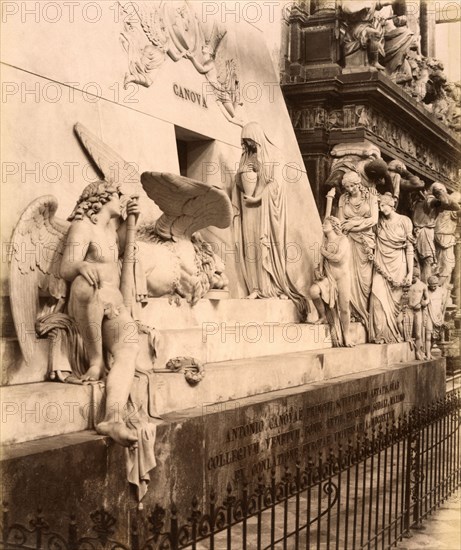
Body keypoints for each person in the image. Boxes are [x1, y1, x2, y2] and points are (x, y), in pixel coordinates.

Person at [60, 180, 141, 447]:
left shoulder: (111, 231)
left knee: (129, 349)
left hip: (113, 305)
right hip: (87, 303)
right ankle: (95, 361)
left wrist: (133, 222)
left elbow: (127, 258)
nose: (122, 199)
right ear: (103, 198)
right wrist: (82, 265)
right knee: (85, 284)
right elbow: (66, 267)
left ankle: (113, 417)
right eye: (118, 195)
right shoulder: (83, 227)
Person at [233, 122, 307, 319]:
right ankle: (255, 286)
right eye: (245, 142)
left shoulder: (273, 157)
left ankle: (270, 286)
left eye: (250, 140)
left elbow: (276, 186)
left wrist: (258, 197)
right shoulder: (246, 157)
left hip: (265, 210)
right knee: (250, 246)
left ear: (257, 137)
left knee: (263, 245)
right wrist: (242, 173)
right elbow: (239, 184)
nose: (249, 145)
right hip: (249, 209)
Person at [369, 193, 414, 343]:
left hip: (398, 265)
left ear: (391, 204)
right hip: (381, 264)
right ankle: (380, 334)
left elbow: (409, 248)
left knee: (395, 302)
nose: (382, 209)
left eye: (384, 205)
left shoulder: (404, 221)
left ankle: (393, 334)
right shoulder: (378, 222)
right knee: (377, 298)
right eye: (379, 206)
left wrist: (410, 272)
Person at [337, 171, 379, 333]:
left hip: (365, 242)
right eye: (347, 187)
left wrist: (353, 225)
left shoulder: (371, 198)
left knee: (364, 279)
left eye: (353, 185)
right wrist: (351, 225)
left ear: (359, 183)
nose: (351, 189)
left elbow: (373, 220)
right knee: (348, 274)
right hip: (347, 241)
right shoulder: (343, 199)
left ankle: (364, 314)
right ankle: (352, 312)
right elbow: (341, 222)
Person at [309, 217, 354, 347]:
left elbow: (338, 258)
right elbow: (321, 263)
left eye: (326, 223)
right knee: (313, 291)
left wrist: (323, 252)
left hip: (342, 278)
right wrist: (318, 270)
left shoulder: (343, 240)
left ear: (334, 225)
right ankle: (322, 315)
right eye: (323, 223)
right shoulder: (324, 242)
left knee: (344, 308)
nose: (323, 225)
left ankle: (346, 334)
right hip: (328, 278)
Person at [425, 275, 448, 359]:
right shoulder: (426, 290)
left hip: (438, 315)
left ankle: (429, 352)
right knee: (428, 335)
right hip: (429, 314)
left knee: (434, 337)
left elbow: (442, 305)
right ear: (429, 284)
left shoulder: (442, 291)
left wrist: (442, 315)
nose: (434, 287)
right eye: (432, 286)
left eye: (435, 285)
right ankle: (427, 354)